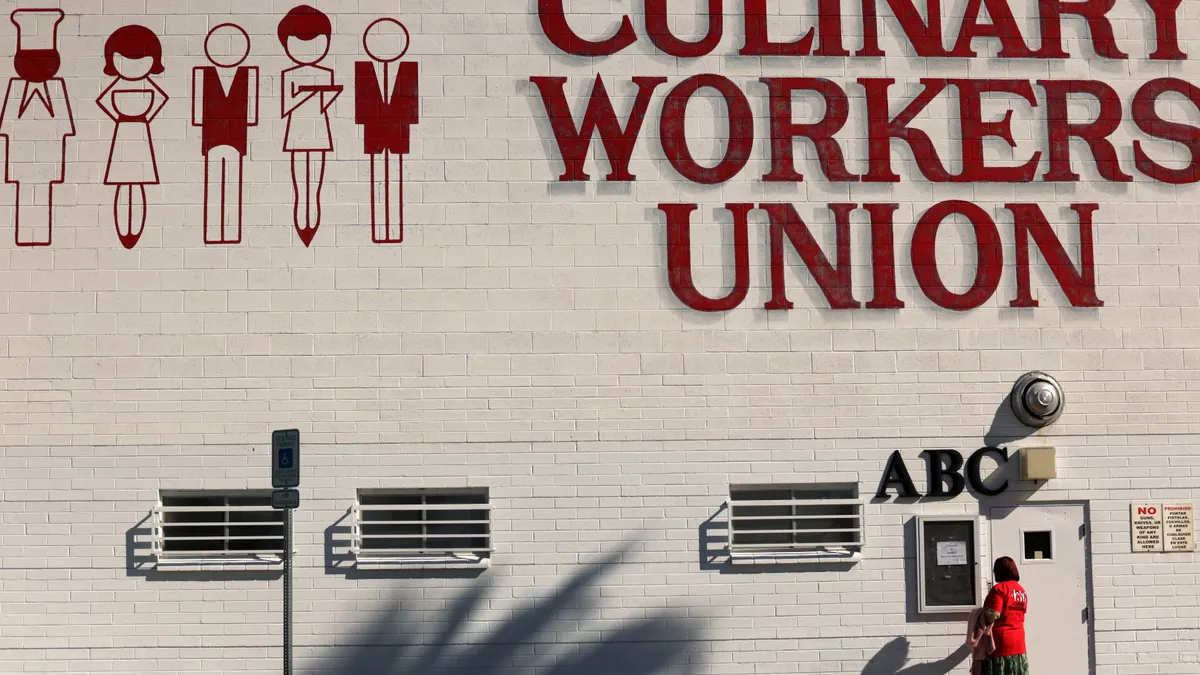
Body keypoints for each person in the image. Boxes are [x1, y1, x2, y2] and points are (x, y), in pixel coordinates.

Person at [0, 8, 74, 247]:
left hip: (49, 154)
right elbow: (5, 126)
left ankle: (41, 236)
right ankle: (25, 236)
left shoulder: (57, 88)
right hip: (21, 154)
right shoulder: (14, 88)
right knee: (24, 196)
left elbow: (66, 125)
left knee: (43, 195)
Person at [96, 25, 169, 250]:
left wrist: (142, 120)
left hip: (140, 135)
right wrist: (121, 120)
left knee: (138, 184)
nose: (132, 66)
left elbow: (160, 100)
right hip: (123, 134)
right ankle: (123, 230)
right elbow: (103, 101)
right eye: (124, 60)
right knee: (122, 184)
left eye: (141, 61)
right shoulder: (117, 86)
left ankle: (135, 230)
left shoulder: (149, 87)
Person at [278, 5, 341, 247]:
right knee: (299, 178)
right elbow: (286, 107)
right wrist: (308, 93)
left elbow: (326, 104)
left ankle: (313, 212)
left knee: (315, 177)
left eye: (316, 41)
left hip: (320, 128)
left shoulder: (325, 72)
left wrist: (322, 94)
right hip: (296, 130)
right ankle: (300, 211)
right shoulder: (289, 74)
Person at [192, 23, 259, 245]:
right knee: (213, 185)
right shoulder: (202, 74)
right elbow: (196, 114)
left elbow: (252, 114)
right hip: (212, 137)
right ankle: (213, 232)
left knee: (233, 185)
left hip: (236, 138)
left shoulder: (249, 74)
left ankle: (231, 232)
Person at [355, 17, 418, 244]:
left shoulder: (407, 71)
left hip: (398, 131)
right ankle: (379, 232)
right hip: (375, 130)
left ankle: (395, 232)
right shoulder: (364, 71)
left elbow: (411, 109)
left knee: (396, 179)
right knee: (377, 179)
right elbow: (362, 111)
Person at [976, 556, 1029, 675]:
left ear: (1000, 571)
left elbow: (993, 614)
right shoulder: (1021, 590)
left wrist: (978, 616)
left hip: (1001, 644)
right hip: (1019, 641)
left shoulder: (1000, 589)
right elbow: (1022, 611)